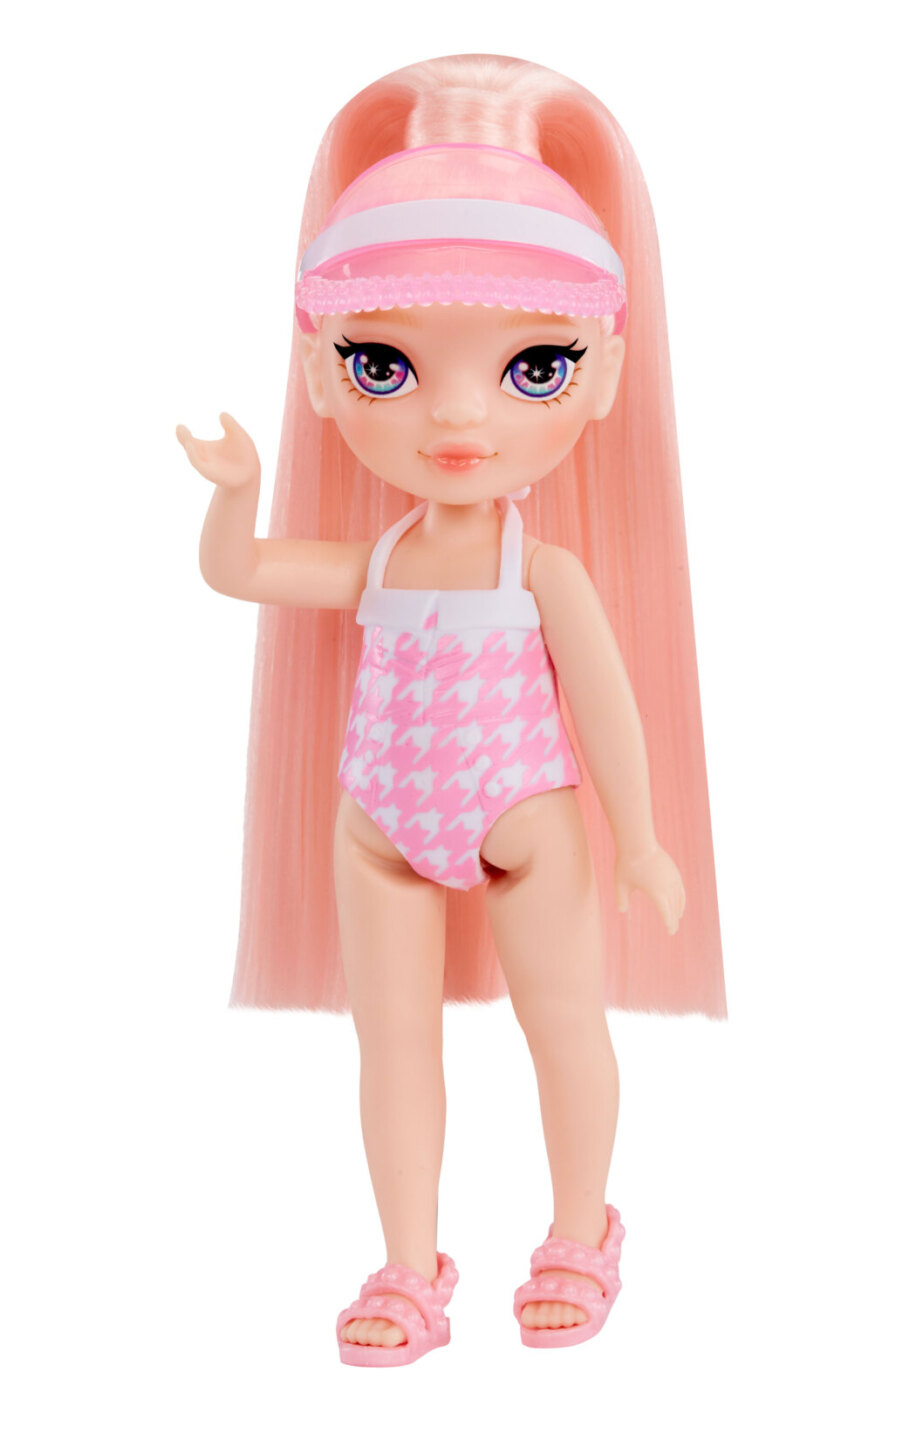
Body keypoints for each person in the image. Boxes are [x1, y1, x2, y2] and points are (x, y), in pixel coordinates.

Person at [177, 53, 724, 1367]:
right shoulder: (374, 560)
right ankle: (409, 1266)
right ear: (321, 374)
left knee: (562, 1027)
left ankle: (582, 1232)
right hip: (379, 828)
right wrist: (235, 490)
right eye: (386, 364)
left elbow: (605, 704)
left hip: (527, 817)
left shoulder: (540, 571)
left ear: (603, 373)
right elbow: (242, 574)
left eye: (535, 366)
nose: (461, 416)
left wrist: (643, 840)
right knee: (393, 1049)